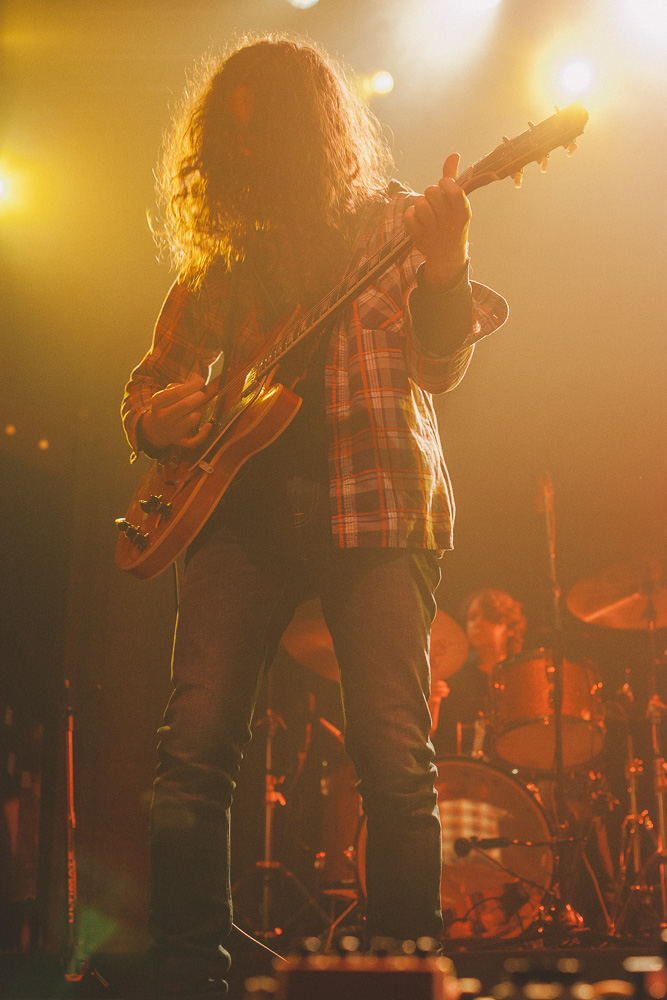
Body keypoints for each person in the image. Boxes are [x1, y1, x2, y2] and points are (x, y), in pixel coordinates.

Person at [121, 35, 508, 999]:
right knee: (195, 745)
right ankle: (186, 964)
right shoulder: (220, 265)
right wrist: (158, 417)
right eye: (231, 142)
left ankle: (399, 971)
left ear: (313, 138)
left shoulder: (391, 229)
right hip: (236, 517)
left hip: (375, 504)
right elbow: (155, 378)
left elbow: (435, 367)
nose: (244, 158)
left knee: (393, 756)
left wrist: (449, 259)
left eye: (264, 139)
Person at [430, 588, 526, 758]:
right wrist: (433, 701)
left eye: (489, 616)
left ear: (510, 628)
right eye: (472, 618)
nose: (478, 623)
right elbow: (430, 737)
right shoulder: (454, 680)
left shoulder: (524, 678)